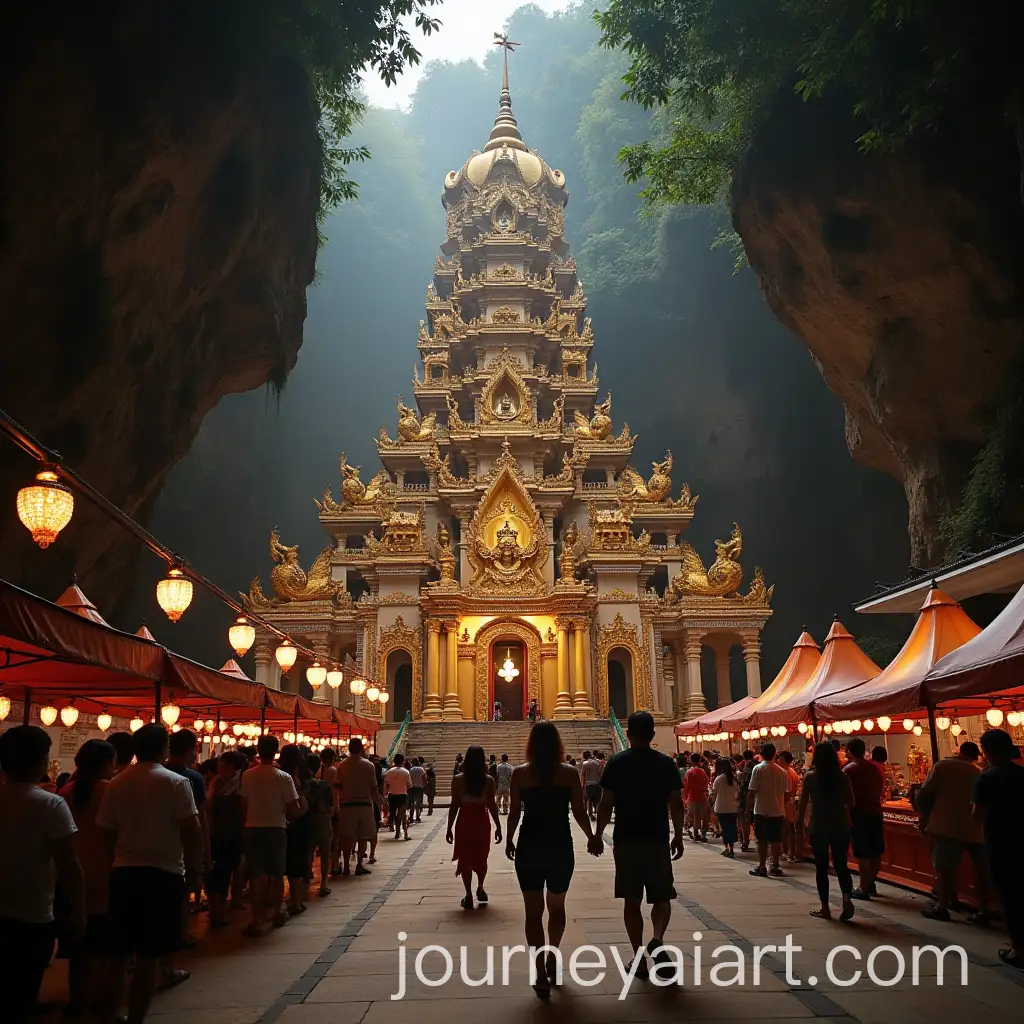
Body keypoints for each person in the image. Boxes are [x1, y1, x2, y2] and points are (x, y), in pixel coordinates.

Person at [95, 724, 202, 1024]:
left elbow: (106, 833)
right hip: (163, 874)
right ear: (164, 748)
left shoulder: (116, 783)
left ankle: (109, 1015)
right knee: (149, 956)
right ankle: (136, 1018)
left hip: (124, 873)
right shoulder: (176, 783)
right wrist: (195, 869)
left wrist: (114, 862)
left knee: (117, 956)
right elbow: (191, 832)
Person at [506, 722, 597, 998]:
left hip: (530, 845)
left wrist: (509, 839)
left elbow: (514, 812)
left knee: (533, 912)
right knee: (557, 907)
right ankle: (552, 956)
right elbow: (579, 811)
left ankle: (539, 972)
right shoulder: (568, 773)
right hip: (559, 845)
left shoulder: (520, 774)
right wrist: (592, 837)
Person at [0, 726, 85, 1021]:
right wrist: (78, 910)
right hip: (33, 912)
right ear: (41, 761)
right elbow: (68, 864)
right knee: (23, 986)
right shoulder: (49, 803)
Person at [596, 711, 684, 981]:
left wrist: (597, 834)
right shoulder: (666, 763)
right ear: (653, 734)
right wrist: (678, 835)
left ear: (628, 733)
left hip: (627, 839)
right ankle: (657, 938)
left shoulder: (617, 762)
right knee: (662, 897)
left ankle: (639, 958)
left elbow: (606, 803)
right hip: (657, 838)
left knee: (631, 900)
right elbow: (676, 804)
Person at [58, 739, 116, 1016]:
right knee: (103, 947)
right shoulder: (110, 791)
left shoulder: (66, 791)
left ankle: (78, 1000)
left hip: (70, 874)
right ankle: (98, 1003)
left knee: (78, 947)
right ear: (106, 763)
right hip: (104, 873)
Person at [916, 740, 990, 923]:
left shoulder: (942, 766)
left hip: (945, 825)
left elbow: (925, 793)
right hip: (975, 827)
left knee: (946, 869)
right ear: (976, 755)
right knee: (980, 870)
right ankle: (983, 910)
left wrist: (924, 816)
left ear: (960, 751)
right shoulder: (979, 772)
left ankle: (943, 906)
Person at [239, 735, 302, 936]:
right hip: (276, 828)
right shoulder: (284, 777)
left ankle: (256, 918)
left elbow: (243, 805)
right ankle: (277, 911)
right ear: (276, 752)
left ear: (258, 750)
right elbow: (293, 808)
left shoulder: (247, 775)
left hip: (252, 827)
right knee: (276, 873)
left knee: (255, 875)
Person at [973, 728, 1024, 969]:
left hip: (1000, 842)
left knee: (1010, 896)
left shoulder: (987, 778)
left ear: (987, 751)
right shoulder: (1022, 774)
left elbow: (978, 815)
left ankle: (1019, 949)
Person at [796, 741, 855, 920]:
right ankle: (847, 900)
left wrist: (799, 823)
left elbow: (802, 802)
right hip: (840, 824)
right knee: (841, 864)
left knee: (821, 867)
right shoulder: (842, 776)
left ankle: (825, 907)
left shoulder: (810, 777)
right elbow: (851, 802)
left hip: (819, 825)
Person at [447, 745, 501, 910]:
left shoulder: (458, 780)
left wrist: (449, 827)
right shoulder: (488, 780)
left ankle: (468, 895)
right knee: (481, 856)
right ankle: (480, 887)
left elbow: (454, 805)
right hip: (481, 822)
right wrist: (498, 826)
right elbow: (492, 805)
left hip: (465, 821)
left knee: (466, 858)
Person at [206, 751, 245, 927]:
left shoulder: (241, 784)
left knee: (227, 871)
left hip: (233, 833)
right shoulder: (217, 783)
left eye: (223, 765)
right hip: (216, 833)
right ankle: (215, 910)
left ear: (232, 767)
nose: (219, 768)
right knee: (216, 873)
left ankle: (222, 908)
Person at [843, 737, 885, 899]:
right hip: (875, 811)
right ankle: (870, 882)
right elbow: (880, 790)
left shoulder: (849, 770)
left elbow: (846, 796)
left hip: (858, 814)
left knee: (863, 853)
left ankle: (863, 887)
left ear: (849, 751)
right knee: (876, 851)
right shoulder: (875, 769)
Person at [336, 738, 379, 875]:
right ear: (361, 749)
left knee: (347, 837)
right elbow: (373, 787)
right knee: (363, 836)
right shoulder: (369, 765)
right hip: (364, 805)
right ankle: (359, 864)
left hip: (346, 805)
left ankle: (346, 866)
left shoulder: (342, 765)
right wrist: (378, 801)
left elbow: (338, 786)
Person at [747, 742, 790, 877]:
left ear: (761, 754)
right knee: (776, 839)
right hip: (778, 810)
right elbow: (786, 794)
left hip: (761, 810)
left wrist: (748, 809)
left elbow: (752, 791)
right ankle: (775, 865)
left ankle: (762, 866)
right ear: (774, 754)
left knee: (762, 839)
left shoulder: (758, 769)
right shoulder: (782, 772)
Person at [305, 755, 334, 898]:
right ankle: (324, 883)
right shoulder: (323, 785)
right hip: (322, 820)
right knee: (325, 853)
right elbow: (330, 807)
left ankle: (305, 882)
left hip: (306, 821)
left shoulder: (301, 784)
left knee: (307, 852)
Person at [710, 757, 740, 857]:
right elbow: (737, 793)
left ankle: (727, 848)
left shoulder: (718, 779)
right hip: (732, 807)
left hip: (721, 807)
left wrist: (711, 803)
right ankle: (731, 848)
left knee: (724, 828)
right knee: (732, 827)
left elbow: (714, 794)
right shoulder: (733, 778)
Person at [779, 750, 802, 862]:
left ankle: (788, 852)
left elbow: (786, 792)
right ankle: (790, 852)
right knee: (789, 829)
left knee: (787, 830)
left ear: (783, 760)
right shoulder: (792, 772)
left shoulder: (785, 773)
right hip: (791, 802)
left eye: (779, 758)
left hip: (785, 802)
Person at [683, 752, 710, 841]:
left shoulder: (689, 772)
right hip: (702, 795)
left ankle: (695, 832)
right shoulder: (702, 771)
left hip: (692, 796)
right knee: (703, 815)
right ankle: (703, 834)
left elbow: (686, 786)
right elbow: (706, 782)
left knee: (693, 815)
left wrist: (685, 798)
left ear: (691, 760)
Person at [384, 754, 412, 841]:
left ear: (394, 761)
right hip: (402, 795)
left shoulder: (389, 772)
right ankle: (405, 833)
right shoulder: (406, 772)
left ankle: (397, 832)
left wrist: (385, 794)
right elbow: (409, 785)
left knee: (393, 813)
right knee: (403, 815)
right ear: (403, 761)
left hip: (392, 795)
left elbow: (386, 785)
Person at [736, 750, 755, 852]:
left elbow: (742, 784)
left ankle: (745, 841)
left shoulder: (744, 767)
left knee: (744, 820)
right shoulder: (756, 766)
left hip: (745, 797)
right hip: (756, 797)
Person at [580, 750, 602, 821]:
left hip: (588, 784)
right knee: (598, 800)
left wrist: (582, 785)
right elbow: (600, 772)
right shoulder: (598, 762)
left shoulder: (585, 763)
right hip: (597, 783)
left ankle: (590, 815)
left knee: (589, 800)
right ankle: (599, 813)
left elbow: (582, 775)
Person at [408, 757, 426, 824]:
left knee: (412, 802)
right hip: (419, 787)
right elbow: (424, 778)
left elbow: (409, 778)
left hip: (412, 787)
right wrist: (424, 784)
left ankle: (411, 817)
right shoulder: (421, 769)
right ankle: (417, 816)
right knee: (418, 802)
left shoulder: (411, 769)